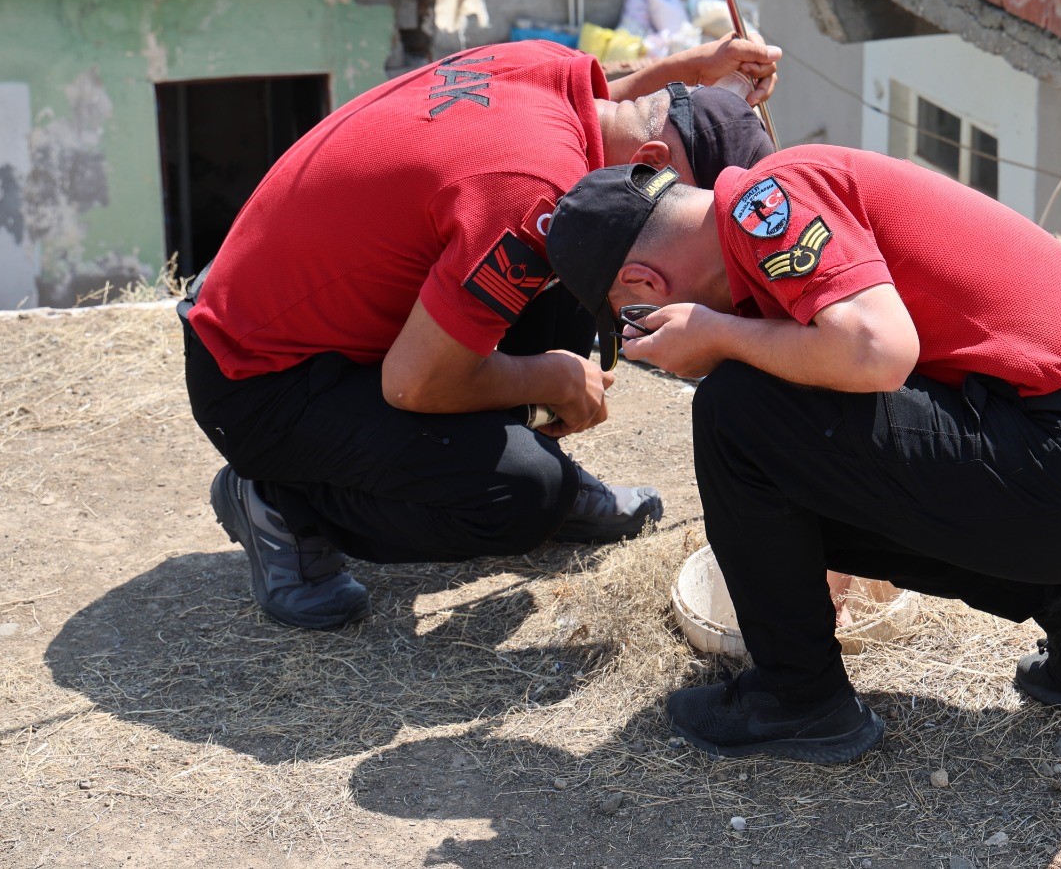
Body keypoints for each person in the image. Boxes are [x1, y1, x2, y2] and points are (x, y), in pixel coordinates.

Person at [544, 146, 1061, 762]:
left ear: (641, 281)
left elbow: (877, 354)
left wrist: (717, 333)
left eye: (632, 318)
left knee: (735, 407)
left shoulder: (770, 200)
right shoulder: (779, 212)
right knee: (775, 436)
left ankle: (796, 696)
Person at [181, 37, 779, 631]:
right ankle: (282, 502)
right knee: (521, 498)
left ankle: (536, 459)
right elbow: (414, 383)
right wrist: (553, 375)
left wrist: (695, 71)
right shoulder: (528, 190)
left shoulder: (549, 74)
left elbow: (622, 110)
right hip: (258, 376)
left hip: (305, 313)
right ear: (652, 164)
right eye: (695, 227)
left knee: (589, 256)